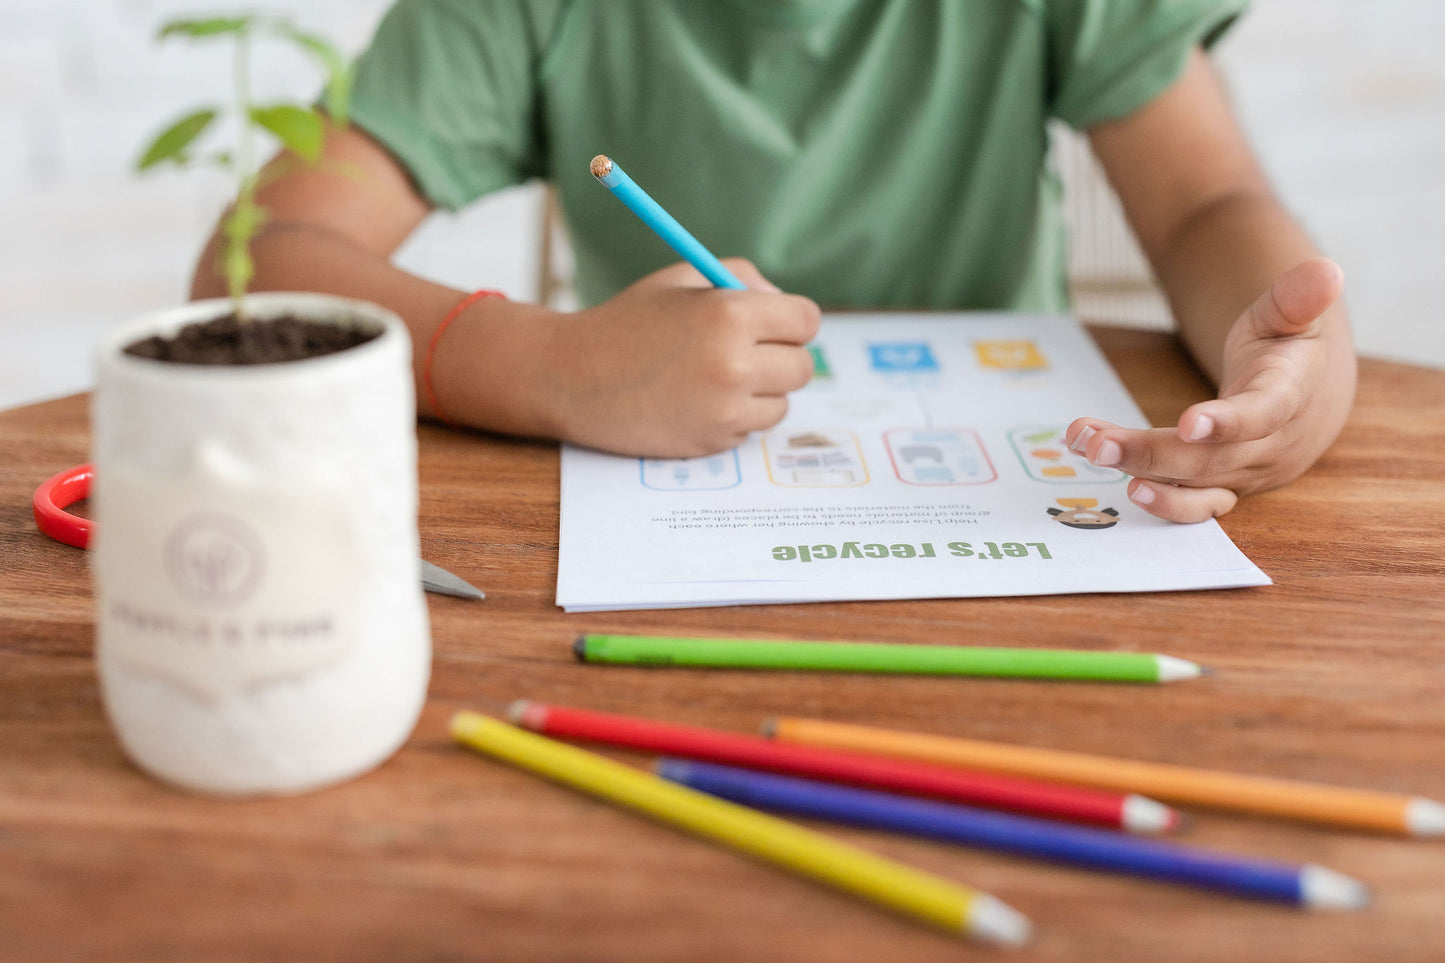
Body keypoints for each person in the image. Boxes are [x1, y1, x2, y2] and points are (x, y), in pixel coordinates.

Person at [190, 0, 1356, 525]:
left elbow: (1208, 205)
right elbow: (253, 275)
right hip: (662, 504)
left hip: (1027, 501)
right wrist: (550, 363)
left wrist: (1289, 358)